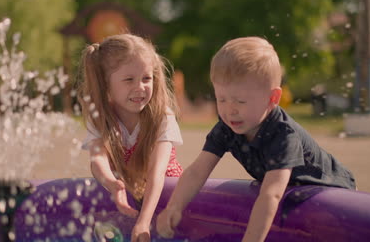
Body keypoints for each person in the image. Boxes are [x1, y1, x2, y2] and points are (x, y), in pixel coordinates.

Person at [156, 37, 356, 242]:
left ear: (272, 99)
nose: (229, 110)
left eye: (240, 101)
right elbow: (197, 171)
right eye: (221, 99)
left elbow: (271, 195)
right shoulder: (228, 127)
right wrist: (174, 206)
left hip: (333, 193)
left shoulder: (283, 134)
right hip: (293, 193)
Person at [79, 33, 183, 242]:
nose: (140, 87)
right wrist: (111, 182)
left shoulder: (161, 117)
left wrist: (144, 222)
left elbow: (157, 173)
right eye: (129, 80)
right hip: (127, 193)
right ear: (106, 84)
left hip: (165, 192)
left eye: (146, 78)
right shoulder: (101, 117)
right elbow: (97, 158)